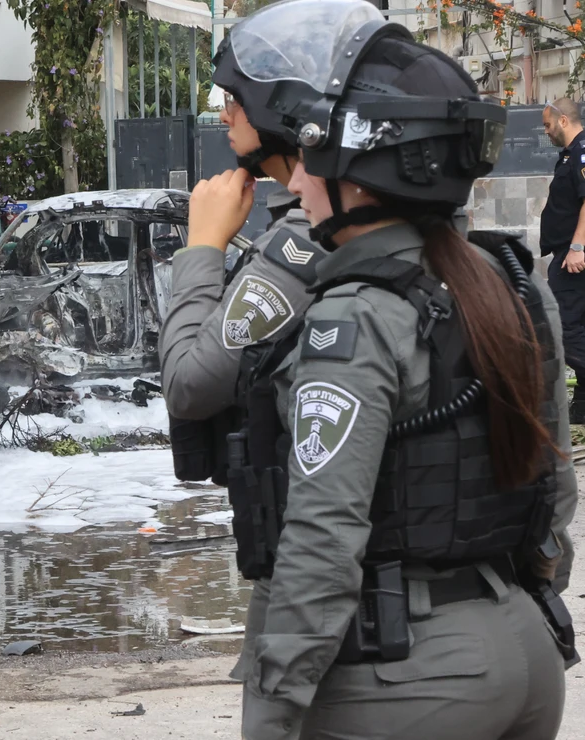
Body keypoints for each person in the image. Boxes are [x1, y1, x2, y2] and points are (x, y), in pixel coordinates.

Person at [190, 1, 578, 737]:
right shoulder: (510, 282)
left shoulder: (356, 315)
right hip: (524, 649)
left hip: (405, 674)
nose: (298, 183)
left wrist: (272, 711)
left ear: (360, 176)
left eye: (314, 162)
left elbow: (322, 539)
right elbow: (553, 494)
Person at [158, 30, 327, 697]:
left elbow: (190, 385)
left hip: (310, 579)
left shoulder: (304, 245)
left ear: (284, 115)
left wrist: (201, 246)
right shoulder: (318, 224)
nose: (224, 112)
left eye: (236, 99)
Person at [540, 97, 585, 426]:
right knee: (584, 327)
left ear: (563, 121)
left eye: (547, 125)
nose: (546, 132)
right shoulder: (571, 155)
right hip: (579, 253)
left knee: (555, 324)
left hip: (583, 254)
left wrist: (577, 247)